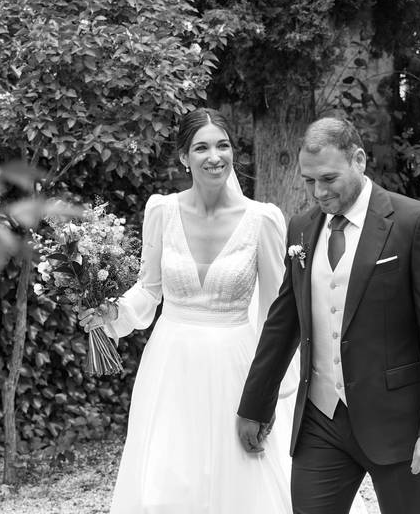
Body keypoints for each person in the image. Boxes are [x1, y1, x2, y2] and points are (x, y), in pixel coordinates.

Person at [78, 108, 367, 514]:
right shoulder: (161, 211)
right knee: (167, 480)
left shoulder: (262, 219)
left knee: (244, 481)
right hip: (171, 367)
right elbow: (148, 291)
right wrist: (111, 313)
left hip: (237, 364)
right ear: (184, 157)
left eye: (223, 145)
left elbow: (277, 316)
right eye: (201, 147)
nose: (215, 156)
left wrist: (274, 394)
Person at [237, 116, 420, 514]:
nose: (318, 192)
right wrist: (255, 406)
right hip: (320, 421)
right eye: (309, 181)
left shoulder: (414, 222)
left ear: (358, 160)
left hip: (395, 423)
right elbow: (282, 323)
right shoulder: (302, 229)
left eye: (328, 178)